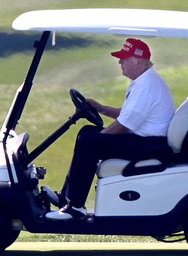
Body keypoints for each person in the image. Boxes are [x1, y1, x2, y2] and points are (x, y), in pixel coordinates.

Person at [45, 38, 175, 221]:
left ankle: (75, 207)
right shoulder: (142, 81)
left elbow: (124, 124)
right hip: (143, 140)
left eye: (124, 58)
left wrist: (100, 139)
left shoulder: (146, 86)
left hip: (150, 145)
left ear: (138, 61)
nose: (119, 62)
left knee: (90, 141)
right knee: (87, 132)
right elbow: (128, 114)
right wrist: (101, 108)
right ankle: (67, 197)